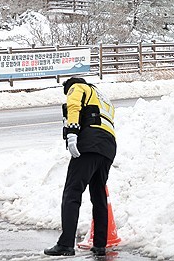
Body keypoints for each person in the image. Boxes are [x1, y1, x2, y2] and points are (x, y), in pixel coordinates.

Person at [44, 77, 117, 257]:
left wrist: (72, 134)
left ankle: (66, 244)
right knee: (98, 194)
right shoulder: (101, 96)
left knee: (72, 192)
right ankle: (100, 245)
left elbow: (73, 107)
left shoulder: (77, 87)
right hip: (108, 147)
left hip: (89, 144)